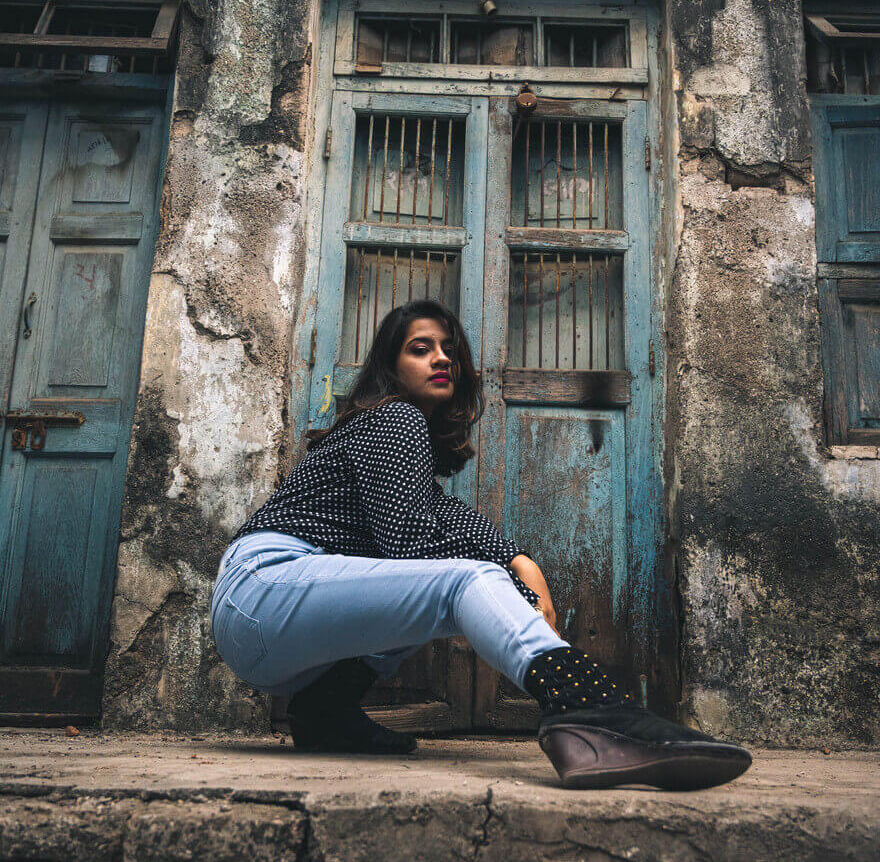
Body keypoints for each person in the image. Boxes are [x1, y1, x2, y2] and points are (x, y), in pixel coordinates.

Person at [211, 300, 750, 791]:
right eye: (420, 349)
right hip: (262, 588)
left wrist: (521, 563)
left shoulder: (407, 461)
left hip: (271, 634)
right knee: (461, 579)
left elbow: (458, 525)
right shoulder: (392, 419)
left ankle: (323, 711)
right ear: (390, 368)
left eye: (450, 350)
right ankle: (587, 708)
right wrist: (510, 585)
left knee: (443, 583)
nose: (441, 359)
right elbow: (417, 547)